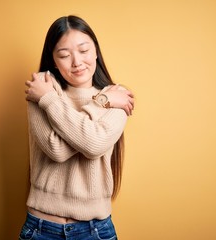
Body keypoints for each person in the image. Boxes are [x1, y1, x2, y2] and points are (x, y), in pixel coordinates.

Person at [20, 15, 134, 240]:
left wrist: (100, 100)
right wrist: (100, 104)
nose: (77, 62)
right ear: (53, 59)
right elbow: (57, 150)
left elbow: (94, 145)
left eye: (84, 50)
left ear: (96, 51)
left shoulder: (117, 94)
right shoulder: (42, 87)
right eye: (64, 55)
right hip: (42, 229)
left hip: (95, 231)